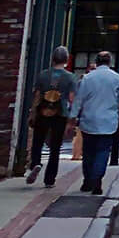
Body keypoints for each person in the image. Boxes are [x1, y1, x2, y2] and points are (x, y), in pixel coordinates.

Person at [70, 51, 119, 196]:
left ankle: (88, 180)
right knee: (103, 151)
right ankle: (97, 178)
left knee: (88, 152)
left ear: (97, 61)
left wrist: (73, 117)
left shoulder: (87, 78)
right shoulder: (116, 78)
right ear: (110, 62)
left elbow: (79, 99)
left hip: (89, 120)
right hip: (108, 121)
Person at [25, 47, 77, 186]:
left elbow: (37, 95)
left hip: (43, 112)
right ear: (66, 60)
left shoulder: (43, 75)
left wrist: (33, 113)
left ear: (53, 59)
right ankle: (49, 179)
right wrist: (72, 119)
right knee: (55, 147)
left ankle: (36, 163)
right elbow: (72, 99)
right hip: (60, 114)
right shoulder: (70, 77)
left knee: (37, 141)